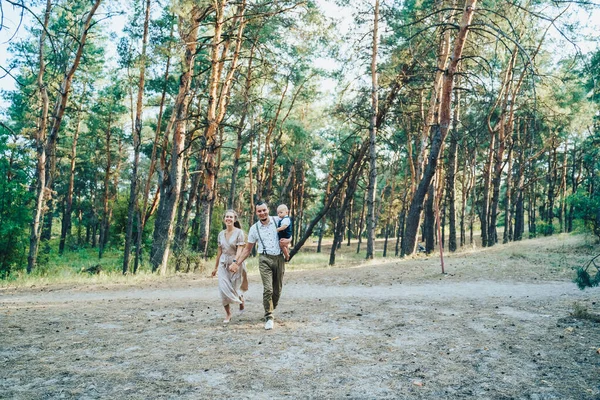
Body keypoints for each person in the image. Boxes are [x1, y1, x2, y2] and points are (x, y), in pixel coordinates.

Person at [230, 201, 291, 330]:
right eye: (259, 211)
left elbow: (288, 233)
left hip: (279, 258)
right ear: (256, 212)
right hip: (264, 259)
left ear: (268, 210)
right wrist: (237, 263)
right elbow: (247, 249)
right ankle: (269, 316)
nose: (262, 213)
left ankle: (271, 308)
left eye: (264, 210)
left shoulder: (277, 221)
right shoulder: (254, 228)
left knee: (277, 290)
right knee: (268, 289)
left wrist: (289, 241)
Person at [211, 210, 248, 323]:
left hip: (235, 263)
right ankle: (228, 314)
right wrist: (215, 267)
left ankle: (240, 299)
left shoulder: (239, 233)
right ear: (224, 219)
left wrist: (235, 262)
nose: (228, 219)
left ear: (234, 219)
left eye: (231, 217)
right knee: (223, 289)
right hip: (223, 263)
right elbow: (219, 251)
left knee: (234, 289)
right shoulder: (221, 234)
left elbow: (240, 249)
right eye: (227, 217)